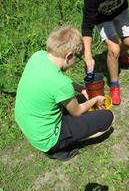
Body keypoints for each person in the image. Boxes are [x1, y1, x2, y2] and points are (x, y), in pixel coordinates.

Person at [15, 25, 114, 161]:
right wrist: (95, 99)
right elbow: (77, 111)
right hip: (47, 139)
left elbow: (55, 80)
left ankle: (58, 141)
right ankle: (59, 148)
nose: (75, 63)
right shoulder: (62, 84)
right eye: (77, 59)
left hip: (30, 127)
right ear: (69, 56)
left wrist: (80, 88)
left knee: (74, 104)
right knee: (108, 118)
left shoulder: (37, 56)